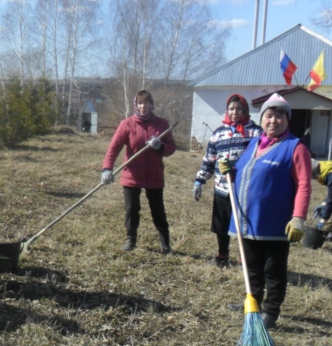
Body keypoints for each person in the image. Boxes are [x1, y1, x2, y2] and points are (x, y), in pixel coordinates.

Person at [220, 93, 312, 329]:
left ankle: (270, 312)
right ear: (262, 119)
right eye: (268, 115)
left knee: (273, 270)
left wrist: (299, 217)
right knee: (251, 267)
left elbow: (304, 184)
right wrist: (229, 170)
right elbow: (242, 176)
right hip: (247, 220)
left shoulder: (295, 147)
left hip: (275, 223)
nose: (273, 120)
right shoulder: (253, 144)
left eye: (279, 116)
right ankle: (253, 302)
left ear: (287, 120)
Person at [101, 89, 176, 254]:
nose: (143, 106)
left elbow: (171, 148)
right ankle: (131, 239)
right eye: (140, 103)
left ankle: (165, 245)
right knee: (131, 209)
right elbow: (113, 148)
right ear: (136, 104)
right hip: (132, 175)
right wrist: (107, 168)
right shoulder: (126, 124)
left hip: (154, 175)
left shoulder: (161, 124)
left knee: (158, 210)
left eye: (146, 103)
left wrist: (160, 147)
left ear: (151, 104)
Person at [192, 94, 263, 267]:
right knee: (221, 223)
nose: (235, 112)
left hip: (245, 189)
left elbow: (259, 159)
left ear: (245, 110)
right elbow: (209, 160)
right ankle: (222, 254)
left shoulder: (255, 133)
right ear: (226, 110)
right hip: (222, 188)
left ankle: (243, 258)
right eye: (231, 108)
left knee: (243, 224)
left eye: (239, 109)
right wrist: (199, 181)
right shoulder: (218, 134)